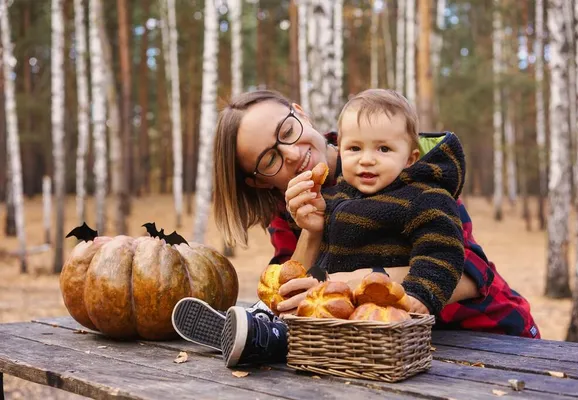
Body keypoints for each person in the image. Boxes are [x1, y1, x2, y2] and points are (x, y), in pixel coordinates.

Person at [172, 90, 539, 368]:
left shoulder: (395, 165)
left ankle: (260, 334)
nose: (292, 153)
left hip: (484, 334)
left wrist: (352, 282)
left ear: (300, 113)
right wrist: (312, 233)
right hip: (388, 350)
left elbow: (469, 274)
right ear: (257, 182)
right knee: (276, 317)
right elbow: (290, 295)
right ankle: (257, 332)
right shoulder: (289, 208)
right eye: (269, 159)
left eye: (287, 130)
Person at [288, 89, 466, 316]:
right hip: (340, 318)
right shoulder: (333, 197)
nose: (367, 160)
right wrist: (318, 223)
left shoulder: (424, 197)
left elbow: (442, 252)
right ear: (340, 149)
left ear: (409, 158)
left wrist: (418, 296)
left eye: (384, 149)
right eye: (355, 148)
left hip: (388, 318)